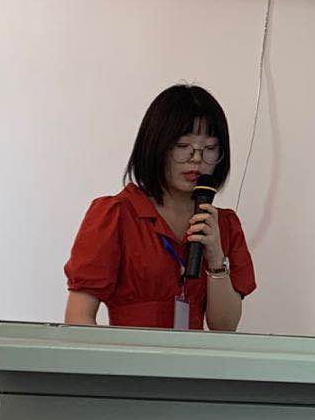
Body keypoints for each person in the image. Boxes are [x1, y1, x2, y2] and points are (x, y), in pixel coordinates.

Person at [64, 84, 256, 330]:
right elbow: (78, 318)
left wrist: (216, 259)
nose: (196, 159)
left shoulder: (223, 224)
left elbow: (224, 326)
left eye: (209, 148)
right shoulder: (116, 215)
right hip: (130, 352)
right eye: (183, 146)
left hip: (194, 355)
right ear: (156, 145)